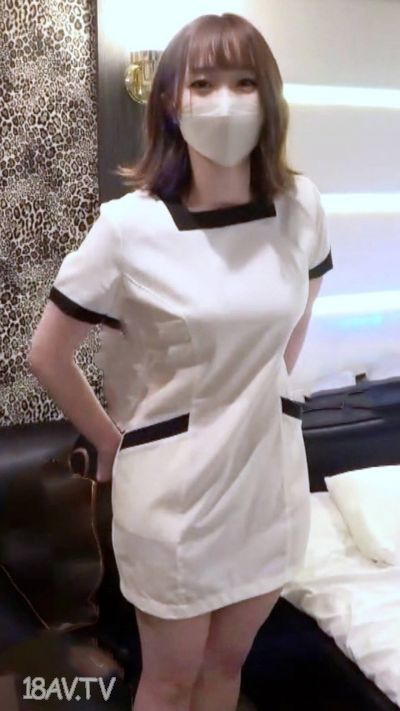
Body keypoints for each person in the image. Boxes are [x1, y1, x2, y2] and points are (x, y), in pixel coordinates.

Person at [28, 12, 334, 711]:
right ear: (171, 99)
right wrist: (114, 442)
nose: (226, 100)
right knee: (170, 682)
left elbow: (297, 315)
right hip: (176, 498)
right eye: (203, 83)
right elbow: (47, 354)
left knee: (227, 668)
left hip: (269, 485)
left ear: (269, 97)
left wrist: (274, 400)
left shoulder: (301, 206)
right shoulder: (129, 228)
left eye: (245, 82)